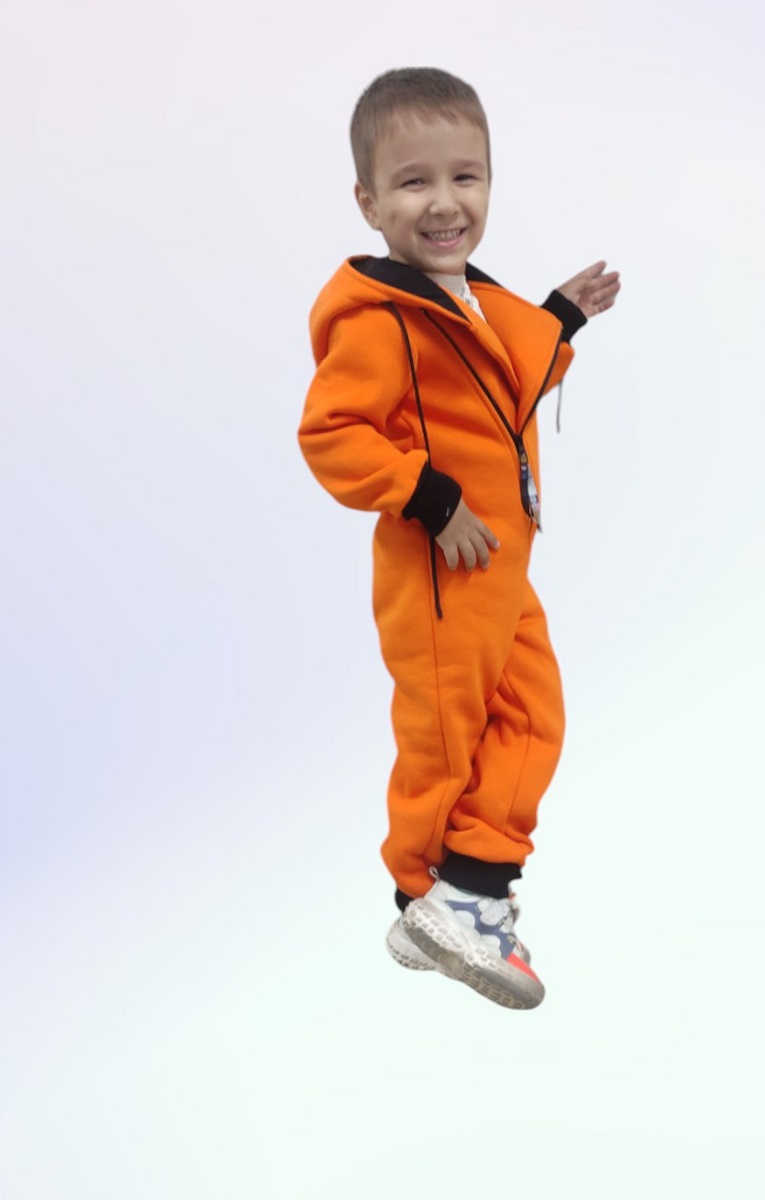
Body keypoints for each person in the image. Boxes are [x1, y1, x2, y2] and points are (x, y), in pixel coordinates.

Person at [299, 67, 620, 1009]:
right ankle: (427, 892)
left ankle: (470, 885)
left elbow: (501, 387)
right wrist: (430, 499)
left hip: (503, 563)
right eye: (413, 183)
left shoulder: (469, 298)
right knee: (446, 733)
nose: (443, 203)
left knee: (535, 715)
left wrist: (561, 317)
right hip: (442, 567)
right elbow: (332, 433)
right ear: (369, 203)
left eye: (464, 177)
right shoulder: (379, 321)